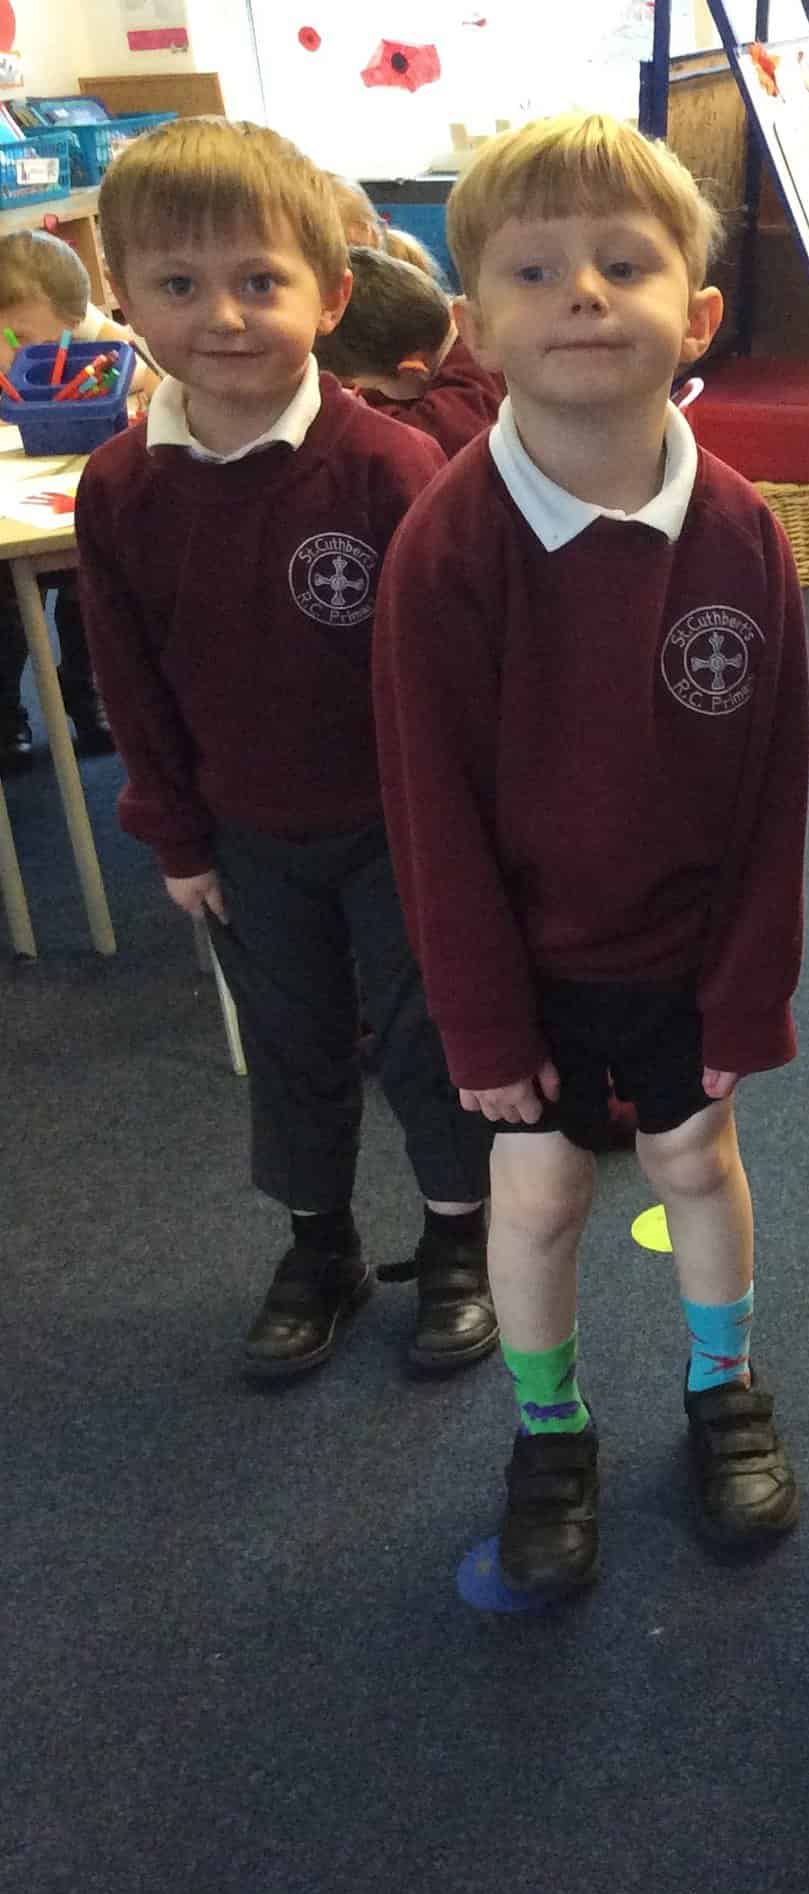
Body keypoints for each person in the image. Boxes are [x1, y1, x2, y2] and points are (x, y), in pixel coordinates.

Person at [374, 112, 809, 1600]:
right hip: (530, 964)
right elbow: (430, 815)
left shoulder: (741, 532)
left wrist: (750, 989)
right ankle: (550, 1430)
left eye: (625, 264)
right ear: (475, 325)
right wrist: (484, 1028)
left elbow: (775, 791)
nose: (582, 293)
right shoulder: (448, 547)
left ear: (698, 314)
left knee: (697, 1161)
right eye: (535, 270)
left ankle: (722, 1389)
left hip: (688, 951)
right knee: (543, 1193)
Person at [76, 118, 497, 1383]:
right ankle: (322, 1245)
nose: (223, 316)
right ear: (121, 296)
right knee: (292, 1044)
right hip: (245, 833)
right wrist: (176, 835)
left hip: (398, 829)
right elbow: (127, 681)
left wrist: (462, 833)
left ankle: (458, 1238)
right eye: (179, 283)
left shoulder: (390, 466)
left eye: (260, 280)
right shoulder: (121, 487)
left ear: (332, 296)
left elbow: (453, 675)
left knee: (428, 1040)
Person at [0, 229, 159, 768]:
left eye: (28, 338)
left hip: (64, 495)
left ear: (71, 326)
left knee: (89, 587)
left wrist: (129, 385)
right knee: (5, 612)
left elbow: (149, 374)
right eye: (11, 336)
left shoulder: (86, 332)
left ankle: (86, 691)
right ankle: (7, 711)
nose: (18, 352)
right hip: (10, 506)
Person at [315, 244, 504, 458]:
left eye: (375, 387)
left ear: (411, 369)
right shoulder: (446, 336)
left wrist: (356, 406)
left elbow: (395, 437)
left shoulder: (470, 394)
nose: (362, 392)